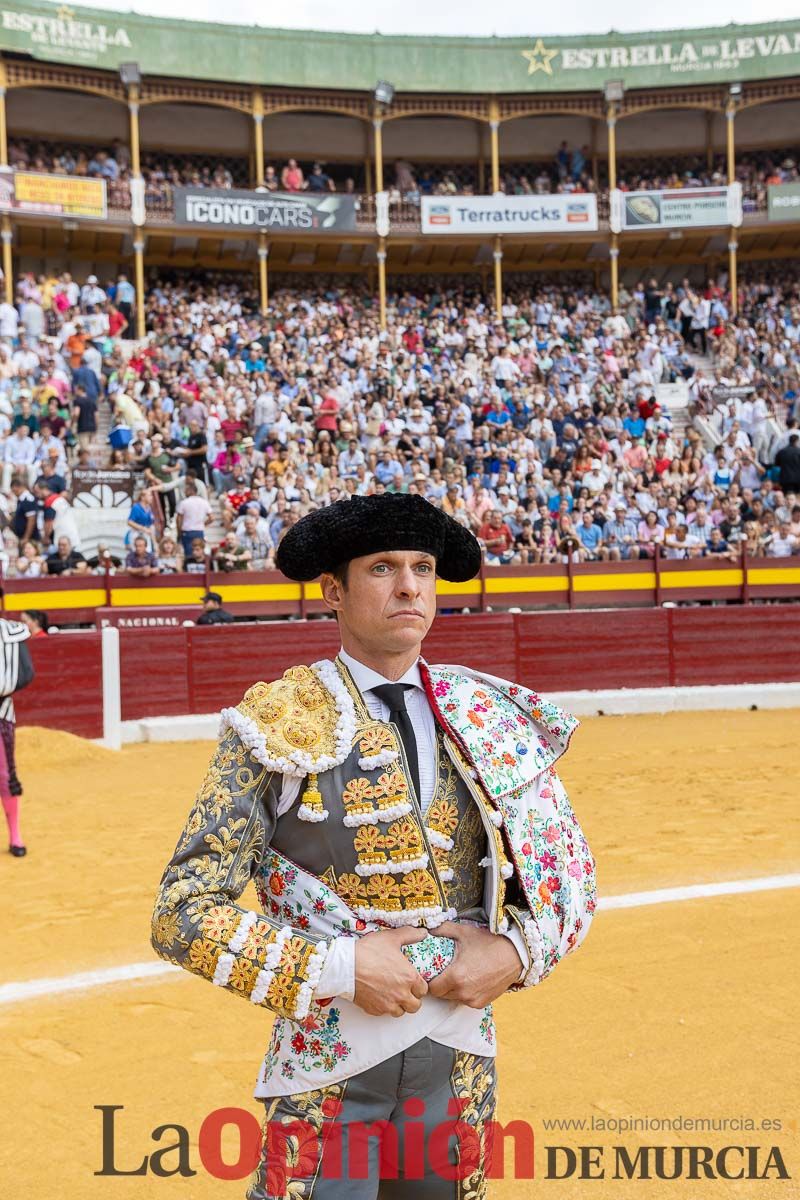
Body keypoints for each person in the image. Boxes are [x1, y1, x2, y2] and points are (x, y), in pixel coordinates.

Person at [151, 492, 595, 1198]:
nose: (412, 586)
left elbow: (569, 881)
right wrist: (338, 966)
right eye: (384, 568)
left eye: (423, 567)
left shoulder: (487, 716)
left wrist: (516, 951)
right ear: (334, 591)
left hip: (456, 1059)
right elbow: (181, 911)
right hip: (329, 1063)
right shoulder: (278, 722)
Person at [0, 617, 34, 857]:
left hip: (1, 711)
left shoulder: (11, 631)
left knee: (4, 775)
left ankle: (15, 836)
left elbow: (25, 674)